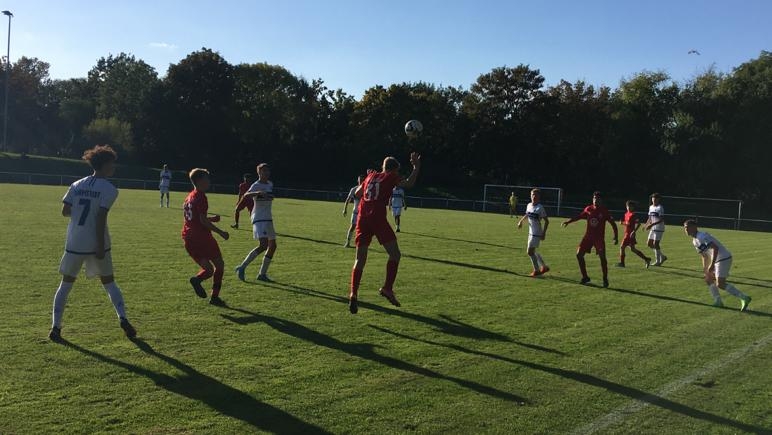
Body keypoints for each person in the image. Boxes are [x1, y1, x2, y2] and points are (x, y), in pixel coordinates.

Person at [49, 145, 137, 342]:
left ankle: (55, 327)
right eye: (112, 163)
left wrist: (80, 214)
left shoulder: (76, 184)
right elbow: (100, 218)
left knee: (65, 285)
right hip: (98, 243)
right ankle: (123, 318)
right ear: (104, 164)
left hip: (75, 242)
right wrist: (99, 244)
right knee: (109, 282)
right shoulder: (110, 189)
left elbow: (65, 211)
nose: (114, 167)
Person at [349, 152, 421, 314]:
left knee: (359, 259)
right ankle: (387, 288)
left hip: (362, 217)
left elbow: (357, 194)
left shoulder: (371, 176)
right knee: (395, 254)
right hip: (377, 216)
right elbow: (409, 184)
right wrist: (416, 167)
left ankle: (353, 293)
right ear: (393, 169)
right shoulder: (391, 176)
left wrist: (367, 180)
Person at [182, 168, 230, 306]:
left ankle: (197, 280)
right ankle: (214, 297)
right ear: (199, 181)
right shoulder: (201, 196)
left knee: (208, 270)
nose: (209, 181)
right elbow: (202, 221)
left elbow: (194, 219)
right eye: (206, 179)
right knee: (219, 266)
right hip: (202, 238)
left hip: (188, 238)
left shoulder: (189, 197)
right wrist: (221, 232)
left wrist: (212, 219)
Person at [684, 220, 751, 311]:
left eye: (688, 227)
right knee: (708, 279)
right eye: (685, 227)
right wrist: (705, 270)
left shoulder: (702, 236)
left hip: (723, 258)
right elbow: (704, 256)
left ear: (695, 227)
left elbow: (715, 248)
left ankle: (744, 298)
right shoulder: (694, 241)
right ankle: (718, 301)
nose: (686, 229)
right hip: (717, 260)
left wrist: (711, 265)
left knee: (720, 284)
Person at [562, 191, 618, 287]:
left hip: (599, 239)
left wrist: (615, 236)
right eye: (594, 198)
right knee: (579, 255)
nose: (596, 200)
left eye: (598, 198)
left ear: (601, 200)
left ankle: (605, 278)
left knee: (602, 258)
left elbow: (613, 224)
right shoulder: (589, 209)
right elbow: (580, 216)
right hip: (588, 237)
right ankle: (585, 277)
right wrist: (569, 221)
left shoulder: (604, 211)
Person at [235, 163, 276, 282]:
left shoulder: (270, 184)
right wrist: (258, 193)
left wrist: (270, 196)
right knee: (263, 245)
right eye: (264, 171)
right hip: (259, 218)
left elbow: (268, 196)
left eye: (267, 171)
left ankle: (262, 274)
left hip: (268, 218)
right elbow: (246, 194)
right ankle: (242, 267)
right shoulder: (256, 185)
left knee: (273, 246)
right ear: (259, 173)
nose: (266, 173)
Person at [517, 188, 550, 277]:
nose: (534, 196)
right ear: (530, 196)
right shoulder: (529, 205)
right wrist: (521, 221)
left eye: (536, 195)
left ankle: (537, 270)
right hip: (530, 232)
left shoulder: (540, 207)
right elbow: (527, 214)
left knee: (529, 252)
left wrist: (544, 233)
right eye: (532, 194)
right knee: (532, 251)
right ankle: (544, 267)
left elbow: (547, 221)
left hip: (537, 233)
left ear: (539, 197)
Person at [617, 201, 652, 268]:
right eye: (628, 206)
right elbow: (628, 224)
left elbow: (639, 224)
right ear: (626, 207)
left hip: (629, 235)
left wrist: (634, 231)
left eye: (631, 206)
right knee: (633, 249)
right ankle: (646, 259)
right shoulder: (626, 214)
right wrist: (622, 223)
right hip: (627, 234)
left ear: (633, 207)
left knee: (622, 247)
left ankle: (622, 263)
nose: (629, 207)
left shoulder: (633, 215)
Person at [645, 193, 668, 266]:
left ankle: (658, 261)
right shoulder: (651, 207)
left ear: (658, 199)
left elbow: (661, 219)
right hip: (653, 228)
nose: (654, 200)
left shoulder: (660, 208)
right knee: (649, 244)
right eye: (653, 198)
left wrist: (651, 225)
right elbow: (649, 218)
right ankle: (662, 257)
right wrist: (646, 225)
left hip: (659, 228)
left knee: (655, 244)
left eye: (655, 198)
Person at [342, 175, 364, 248]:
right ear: (358, 180)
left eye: (362, 180)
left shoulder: (366, 189)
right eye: (359, 180)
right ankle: (347, 242)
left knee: (362, 229)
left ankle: (360, 244)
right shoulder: (354, 189)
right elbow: (348, 200)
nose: (360, 181)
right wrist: (345, 209)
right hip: (355, 212)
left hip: (363, 213)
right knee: (352, 227)